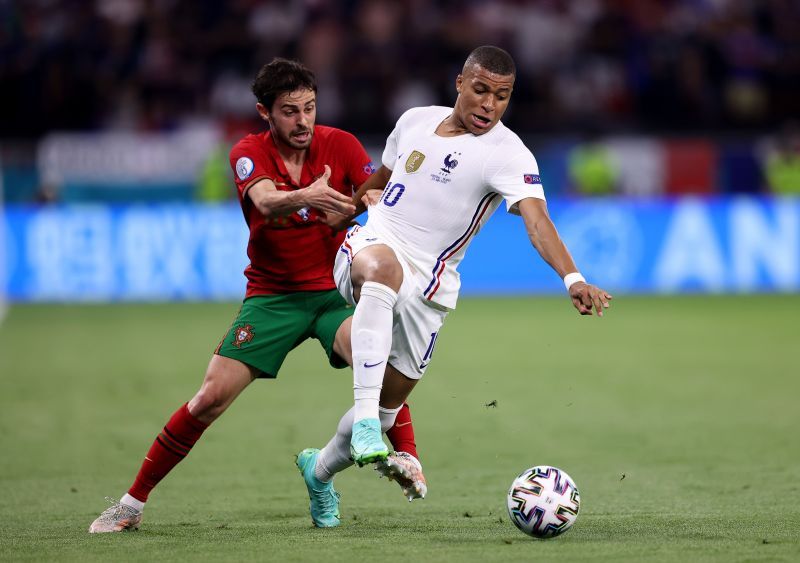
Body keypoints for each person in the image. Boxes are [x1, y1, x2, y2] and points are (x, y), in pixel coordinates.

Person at [89, 58, 426, 533]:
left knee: (378, 362)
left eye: (309, 107)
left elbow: (377, 190)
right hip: (272, 297)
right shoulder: (248, 151)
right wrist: (309, 195)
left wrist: (368, 201)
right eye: (290, 111)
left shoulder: (342, 144)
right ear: (264, 112)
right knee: (208, 399)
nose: (303, 120)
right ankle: (131, 503)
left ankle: (402, 458)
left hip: (334, 292)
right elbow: (265, 201)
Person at [296, 45, 613, 524]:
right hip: (373, 245)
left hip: (431, 287)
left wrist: (573, 277)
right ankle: (364, 422)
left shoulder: (508, 153)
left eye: (502, 96)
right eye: (482, 90)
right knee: (381, 274)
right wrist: (350, 208)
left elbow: (536, 219)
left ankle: (319, 471)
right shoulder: (414, 121)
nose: (489, 104)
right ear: (460, 83)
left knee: (390, 408)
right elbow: (381, 182)